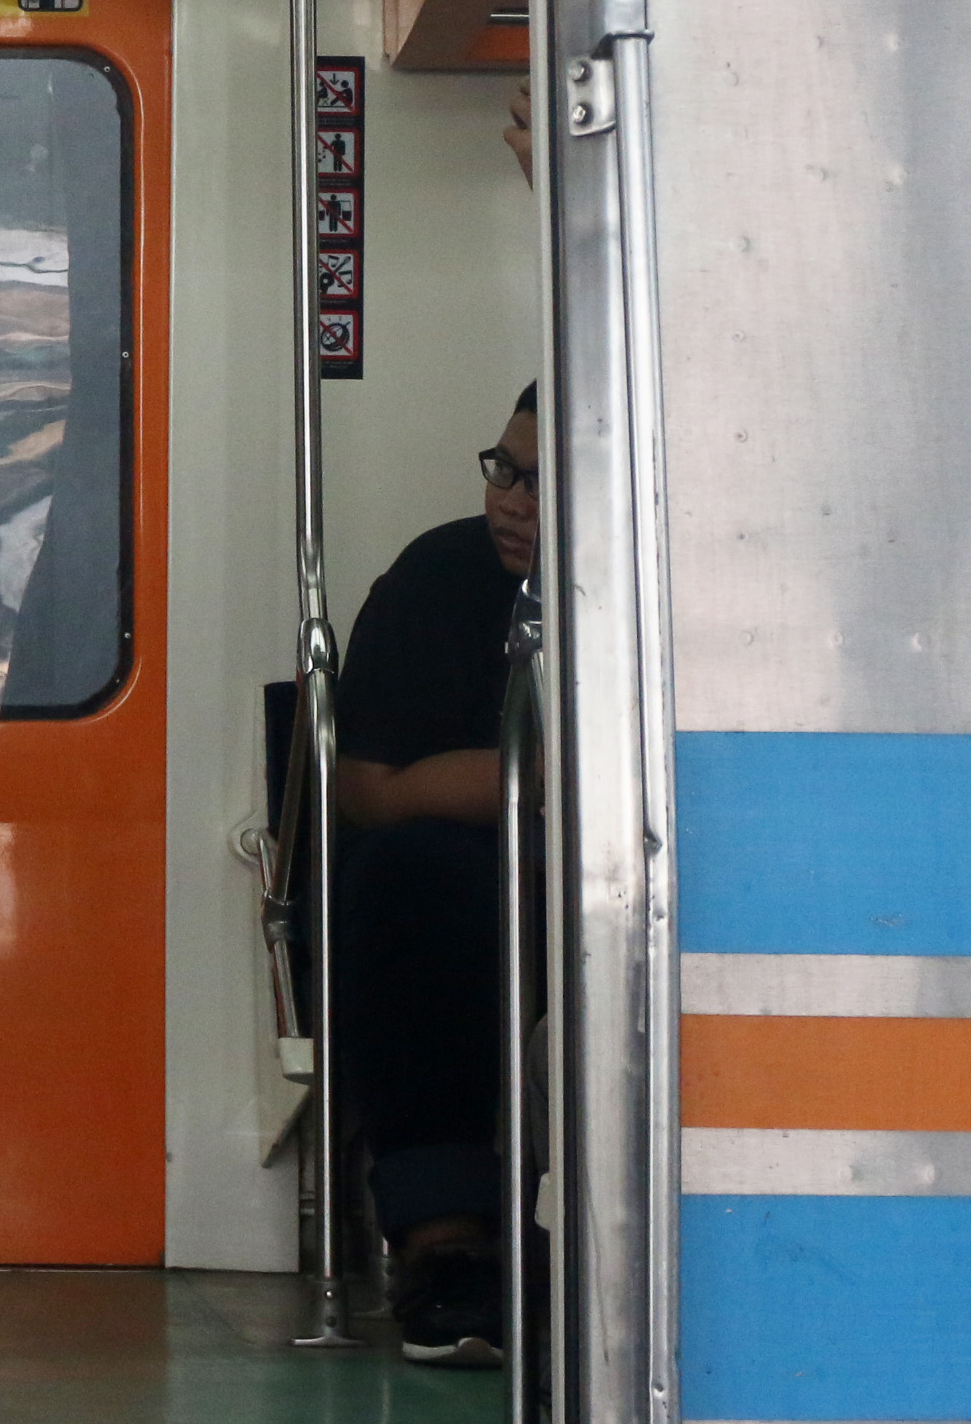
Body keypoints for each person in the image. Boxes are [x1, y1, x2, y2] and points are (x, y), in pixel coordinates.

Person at [330, 382, 539, 1370]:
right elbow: (369, 794)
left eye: (543, 483)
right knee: (406, 881)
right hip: (472, 875)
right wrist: (518, 781)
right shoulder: (443, 577)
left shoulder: (687, 585)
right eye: (502, 469)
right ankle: (443, 1245)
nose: (511, 500)